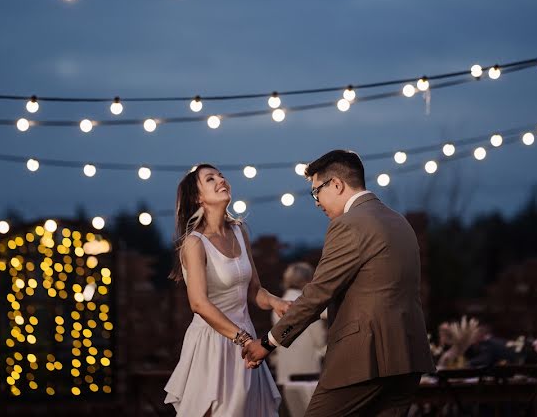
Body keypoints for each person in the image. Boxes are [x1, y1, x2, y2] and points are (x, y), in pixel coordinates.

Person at [243, 150, 435, 416]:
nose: (316, 202)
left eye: (316, 191)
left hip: (365, 357)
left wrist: (267, 343)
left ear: (336, 184)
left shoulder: (349, 224)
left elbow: (317, 293)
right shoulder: (399, 222)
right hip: (409, 356)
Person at [164, 164, 286, 416]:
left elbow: (255, 291)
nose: (221, 180)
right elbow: (198, 303)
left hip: (247, 343)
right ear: (198, 197)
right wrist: (242, 339)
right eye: (210, 179)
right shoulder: (194, 243)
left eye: (221, 175)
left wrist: (277, 302)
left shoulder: (239, 231)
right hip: (213, 344)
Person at [270, 262, 328, 385]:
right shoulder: (308, 305)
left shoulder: (277, 307)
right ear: (307, 280)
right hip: (308, 370)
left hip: (285, 372)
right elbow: (319, 339)